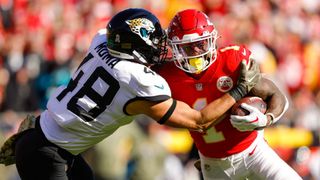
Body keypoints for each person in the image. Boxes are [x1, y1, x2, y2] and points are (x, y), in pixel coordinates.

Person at [0, 8, 260, 179]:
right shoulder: (137, 81)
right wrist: (237, 91)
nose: (160, 48)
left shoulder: (102, 41)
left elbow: (116, 44)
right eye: (154, 43)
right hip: (47, 154)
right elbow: (199, 121)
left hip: (44, 141)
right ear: (134, 48)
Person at [154, 9, 302, 180]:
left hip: (254, 153)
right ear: (176, 48)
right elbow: (187, 121)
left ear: (211, 40)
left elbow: (275, 94)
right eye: (188, 47)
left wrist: (266, 119)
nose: (196, 52)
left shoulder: (231, 62)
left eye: (201, 44)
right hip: (213, 165)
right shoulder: (166, 77)